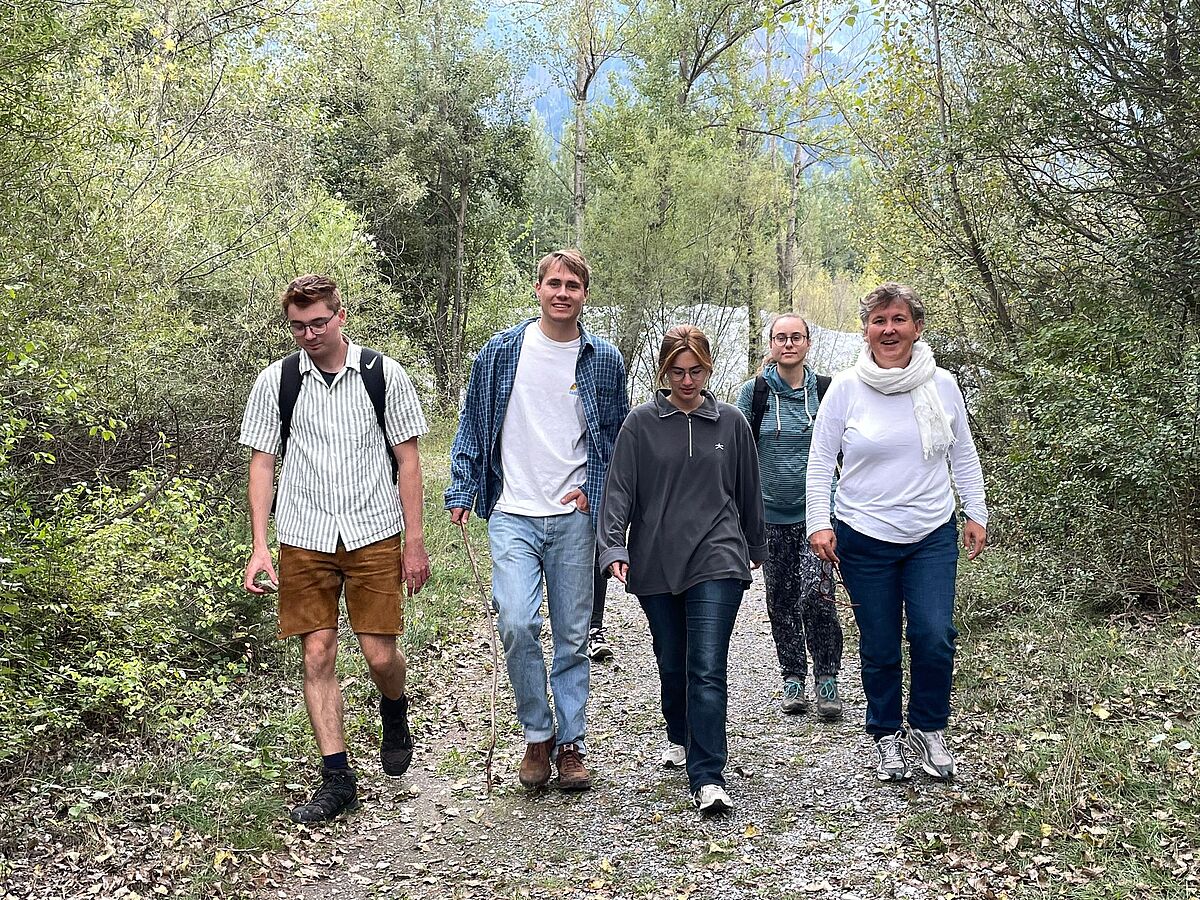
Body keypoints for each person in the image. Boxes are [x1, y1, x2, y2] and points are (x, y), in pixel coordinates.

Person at [240, 274, 431, 823]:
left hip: (373, 532)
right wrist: (259, 546)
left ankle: (393, 706)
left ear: (340, 317)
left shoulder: (383, 376)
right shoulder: (275, 383)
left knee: (378, 655)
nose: (308, 334)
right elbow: (262, 464)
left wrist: (413, 543)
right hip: (304, 535)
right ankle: (337, 777)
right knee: (317, 652)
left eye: (318, 323)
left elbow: (409, 462)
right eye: (298, 326)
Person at [445, 248, 628, 793]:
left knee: (573, 635)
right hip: (512, 511)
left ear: (584, 295)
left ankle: (571, 743)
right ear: (538, 289)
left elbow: (618, 437)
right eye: (554, 283)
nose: (562, 292)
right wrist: (462, 486)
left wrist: (600, 495)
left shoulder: (604, 359)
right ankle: (536, 734)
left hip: (573, 518)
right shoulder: (501, 353)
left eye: (573, 284)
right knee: (517, 623)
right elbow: (473, 425)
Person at [805, 282, 987, 783]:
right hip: (864, 535)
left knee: (934, 635)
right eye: (879, 321)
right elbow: (820, 461)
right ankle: (887, 735)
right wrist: (819, 522)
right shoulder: (845, 387)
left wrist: (976, 513)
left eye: (899, 319)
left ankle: (928, 729)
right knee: (880, 643)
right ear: (865, 331)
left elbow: (962, 453)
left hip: (931, 532)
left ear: (917, 327)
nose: (889, 329)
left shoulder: (943, 384)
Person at [598, 325, 766, 815]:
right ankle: (679, 733)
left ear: (708, 370)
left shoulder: (731, 423)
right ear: (663, 372)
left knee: (707, 666)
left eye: (695, 371)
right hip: (656, 557)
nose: (687, 381)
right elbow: (619, 492)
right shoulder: (641, 424)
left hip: (718, 554)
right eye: (677, 371)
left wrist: (755, 544)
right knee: (673, 663)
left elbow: (748, 489)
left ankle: (709, 774)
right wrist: (613, 548)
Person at [735, 314, 844, 720]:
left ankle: (827, 675)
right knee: (780, 599)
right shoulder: (755, 392)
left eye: (796, 337)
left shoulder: (827, 391)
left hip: (818, 516)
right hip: (769, 516)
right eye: (781, 337)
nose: (788, 344)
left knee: (816, 593)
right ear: (772, 343)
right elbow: (739, 455)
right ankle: (793, 676)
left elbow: (845, 453)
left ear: (808, 342)